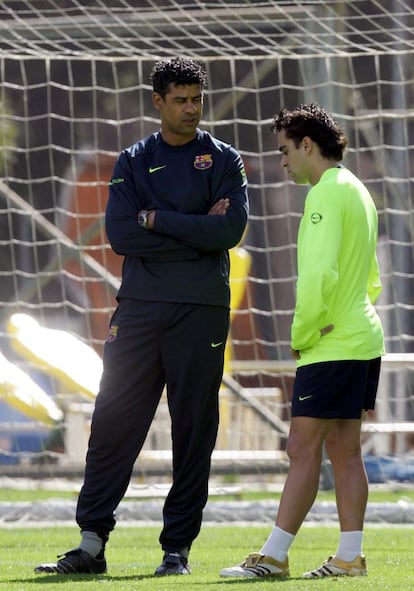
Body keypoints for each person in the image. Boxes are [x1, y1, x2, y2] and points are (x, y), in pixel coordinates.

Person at [35, 56, 248, 577]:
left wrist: (159, 222)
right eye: (180, 99)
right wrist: (192, 229)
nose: (191, 109)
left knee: (193, 429)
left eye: (197, 98)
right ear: (158, 101)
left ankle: (177, 549)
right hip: (138, 310)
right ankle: (90, 545)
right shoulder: (132, 160)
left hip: (200, 310)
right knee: (112, 422)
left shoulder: (223, 159)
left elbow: (228, 233)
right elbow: (122, 236)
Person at [220, 102, 384, 580]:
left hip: (331, 342)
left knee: (301, 449)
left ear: (307, 145)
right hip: (361, 336)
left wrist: (303, 332)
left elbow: (318, 275)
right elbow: (371, 280)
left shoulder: (324, 195)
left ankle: (273, 556)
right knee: (346, 452)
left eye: (284, 150)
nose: (283, 161)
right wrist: (351, 313)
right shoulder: (358, 190)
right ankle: (349, 556)